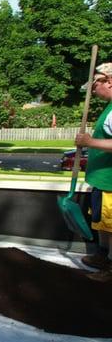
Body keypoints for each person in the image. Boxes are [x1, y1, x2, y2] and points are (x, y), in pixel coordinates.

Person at [74, 62, 112, 275]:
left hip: (110, 183)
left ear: (109, 81)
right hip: (103, 182)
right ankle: (103, 255)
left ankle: (110, 268)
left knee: (110, 225)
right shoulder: (109, 108)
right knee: (103, 223)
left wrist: (90, 142)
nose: (93, 91)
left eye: (94, 86)